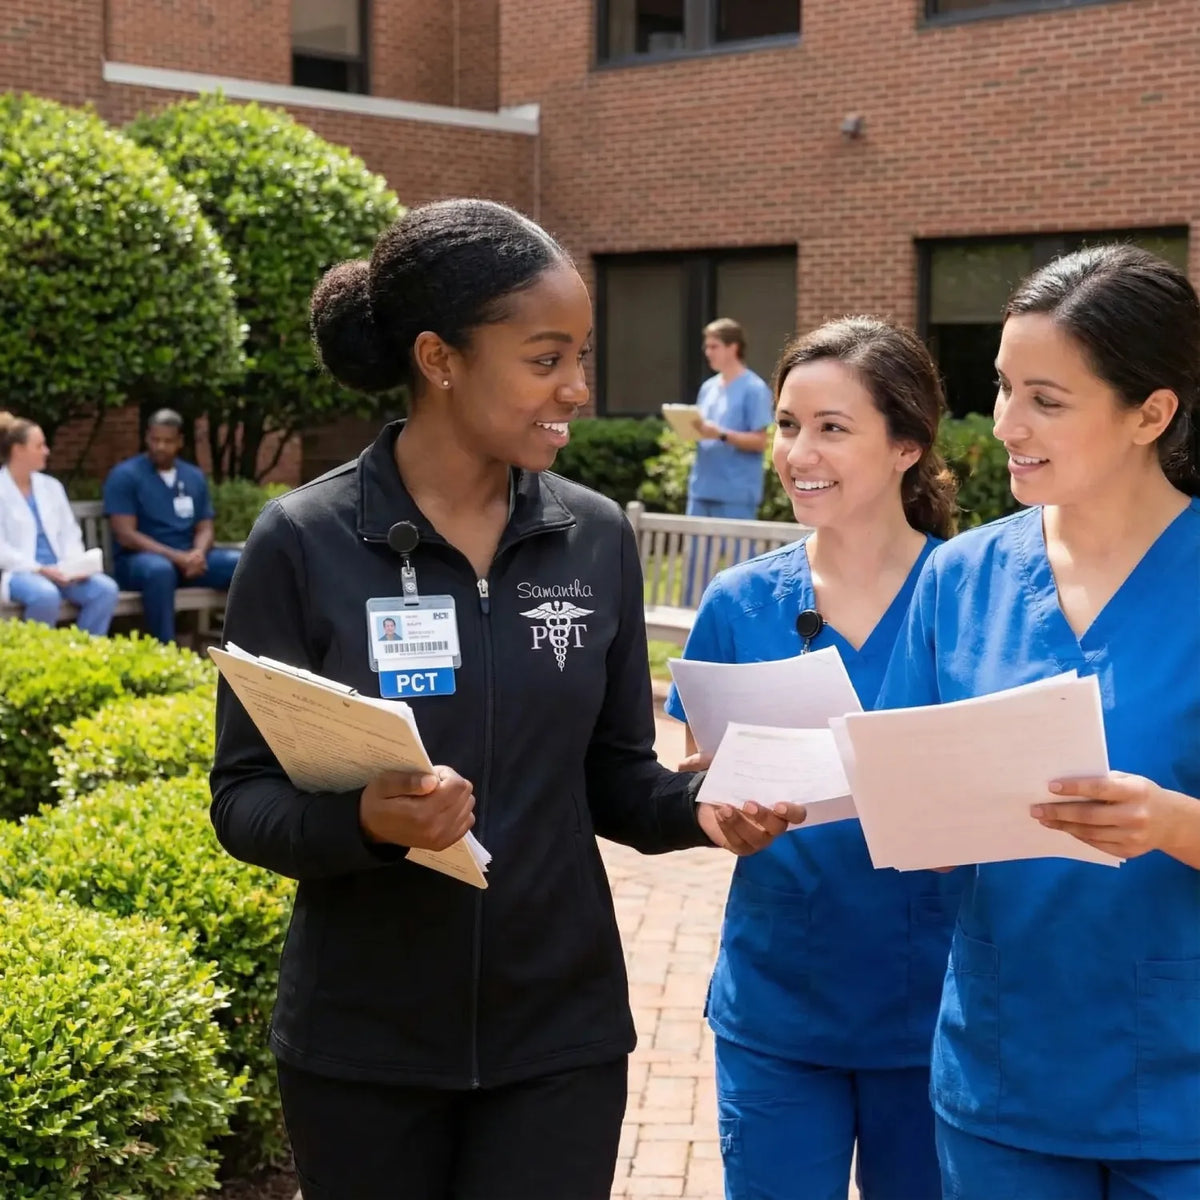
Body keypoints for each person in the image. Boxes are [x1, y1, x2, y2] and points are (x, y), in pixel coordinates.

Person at [208, 198, 803, 1200]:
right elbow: (243, 800)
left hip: (558, 1038)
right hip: (363, 1046)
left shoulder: (595, 535)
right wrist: (367, 821)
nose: (578, 387)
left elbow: (615, 777)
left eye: (582, 355)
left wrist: (701, 806)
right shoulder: (304, 540)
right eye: (545, 358)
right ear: (440, 359)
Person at [879, 244, 1200, 1199]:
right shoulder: (958, 575)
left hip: (1181, 1090)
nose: (1005, 424)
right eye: (1003, 386)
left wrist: (1172, 823)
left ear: (1151, 414)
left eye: (1047, 400)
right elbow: (902, 787)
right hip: (1003, 1078)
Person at [666, 318, 965, 1200]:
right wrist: (719, 807)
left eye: (833, 428)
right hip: (779, 1009)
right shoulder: (738, 603)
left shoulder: (974, 594)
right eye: (789, 425)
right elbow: (703, 776)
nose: (799, 453)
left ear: (907, 444)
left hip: (936, 1009)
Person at [102, 408, 240, 643]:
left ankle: (243, 646)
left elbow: (205, 526)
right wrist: (177, 558)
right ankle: (165, 650)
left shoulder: (193, 476)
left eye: (167, 441)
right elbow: (126, 534)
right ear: (147, 438)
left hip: (189, 561)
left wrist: (197, 553)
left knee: (241, 563)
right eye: (155, 440)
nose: (160, 447)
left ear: (180, 442)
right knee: (160, 571)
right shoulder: (125, 476)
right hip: (139, 561)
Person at [0, 411, 119, 636]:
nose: (47, 451)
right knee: (45, 596)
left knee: (105, 590)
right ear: (18, 450)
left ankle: (83, 651)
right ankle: (39, 654)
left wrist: (75, 566)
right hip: (20, 572)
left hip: (62, 570)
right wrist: (39, 569)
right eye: (39, 446)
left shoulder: (51, 486)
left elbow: (69, 532)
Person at [687, 317, 775, 520]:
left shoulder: (754, 389)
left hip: (735, 494)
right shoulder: (708, 388)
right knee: (694, 544)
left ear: (733, 347)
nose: (707, 352)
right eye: (706, 346)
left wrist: (721, 434)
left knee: (737, 544)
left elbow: (761, 442)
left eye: (714, 346)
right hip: (701, 490)